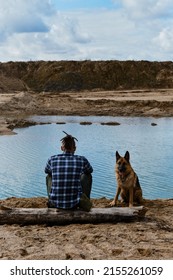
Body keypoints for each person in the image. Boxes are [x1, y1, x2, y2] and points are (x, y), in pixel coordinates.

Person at [45, 131, 93, 211]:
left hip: (56, 203)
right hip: (74, 204)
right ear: (75, 148)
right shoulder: (82, 159)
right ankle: (85, 201)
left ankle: (51, 200)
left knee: (49, 175)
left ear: (62, 148)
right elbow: (90, 170)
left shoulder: (52, 159)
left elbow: (46, 171)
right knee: (87, 175)